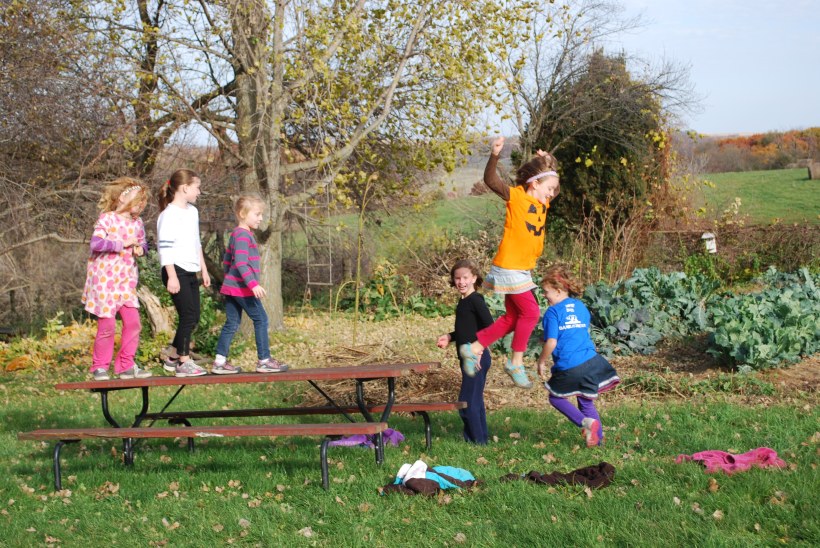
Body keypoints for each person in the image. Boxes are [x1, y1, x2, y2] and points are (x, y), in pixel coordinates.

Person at [459, 136, 560, 389]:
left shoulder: (542, 202)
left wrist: (548, 161)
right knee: (532, 312)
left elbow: (550, 179)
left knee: (514, 318)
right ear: (535, 184)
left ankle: (474, 347)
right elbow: (491, 181)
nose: (552, 194)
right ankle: (515, 362)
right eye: (549, 188)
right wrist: (494, 155)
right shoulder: (516, 197)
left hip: (520, 268)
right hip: (510, 266)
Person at [536, 264, 620, 447]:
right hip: (591, 362)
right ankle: (598, 442)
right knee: (586, 401)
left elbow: (552, 342)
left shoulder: (552, 312)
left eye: (546, 292)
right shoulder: (581, 306)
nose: (544, 296)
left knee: (555, 397)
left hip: (570, 366)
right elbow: (577, 331)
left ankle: (585, 423)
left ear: (558, 291)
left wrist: (541, 361)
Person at [82, 178, 152, 380]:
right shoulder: (107, 219)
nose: (141, 206)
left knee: (133, 322)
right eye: (138, 201)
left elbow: (143, 244)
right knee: (108, 325)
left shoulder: (137, 223)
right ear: (123, 198)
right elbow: (96, 244)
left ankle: (125, 365)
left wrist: (140, 249)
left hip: (126, 282)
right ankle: (100, 366)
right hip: (105, 281)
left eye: (143, 203)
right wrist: (121, 243)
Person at [213, 194, 289, 373]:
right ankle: (264, 360)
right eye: (257, 214)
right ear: (242, 213)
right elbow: (240, 262)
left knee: (232, 323)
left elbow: (227, 261)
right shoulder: (242, 235)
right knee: (261, 319)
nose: (261, 218)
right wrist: (252, 284)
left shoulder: (237, 234)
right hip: (242, 288)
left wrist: (229, 281)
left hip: (234, 287)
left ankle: (219, 361)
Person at [157, 169, 211, 377]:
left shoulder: (193, 212)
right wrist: (171, 275)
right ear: (185, 188)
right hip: (175, 269)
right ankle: (183, 361)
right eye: (197, 187)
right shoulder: (168, 215)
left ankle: (172, 356)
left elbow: (196, 243)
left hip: (191, 270)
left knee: (194, 316)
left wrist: (203, 270)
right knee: (187, 316)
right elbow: (165, 248)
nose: (199, 191)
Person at [437, 259, 494, 444]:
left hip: (476, 358)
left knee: (466, 402)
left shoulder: (475, 300)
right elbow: (468, 330)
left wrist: (479, 350)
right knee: (474, 401)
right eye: (457, 278)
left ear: (474, 278)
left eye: (465, 278)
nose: (461, 282)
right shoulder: (464, 302)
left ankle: (476, 442)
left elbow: (490, 327)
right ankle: (480, 440)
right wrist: (450, 336)